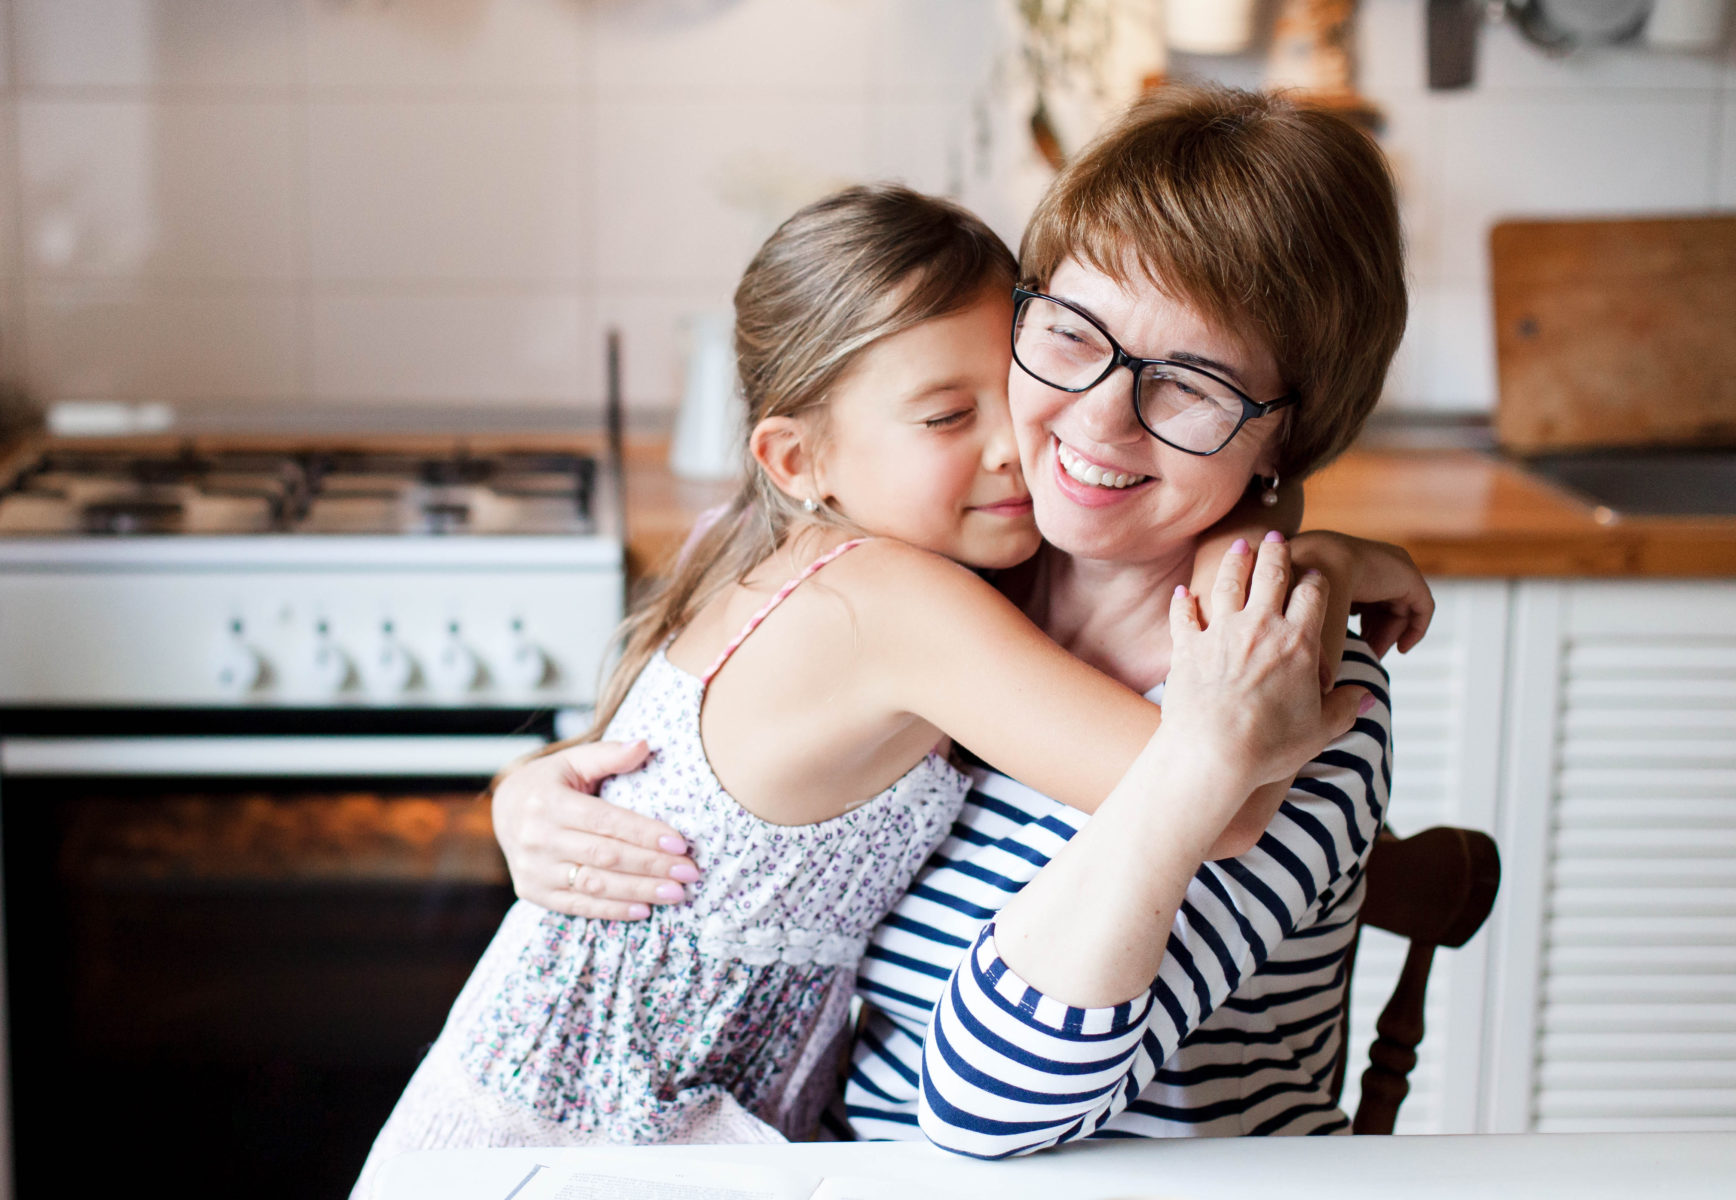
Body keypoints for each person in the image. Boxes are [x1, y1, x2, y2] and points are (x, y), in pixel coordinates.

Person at [356, 168, 1415, 1164]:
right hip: (590, 1147)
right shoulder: (906, 602)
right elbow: (1212, 781)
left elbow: (1214, 788)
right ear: (796, 461)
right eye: (952, 415)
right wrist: (1310, 560)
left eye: (1189, 386)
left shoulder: (916, 565)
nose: (1032, 443)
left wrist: (1305, 555)